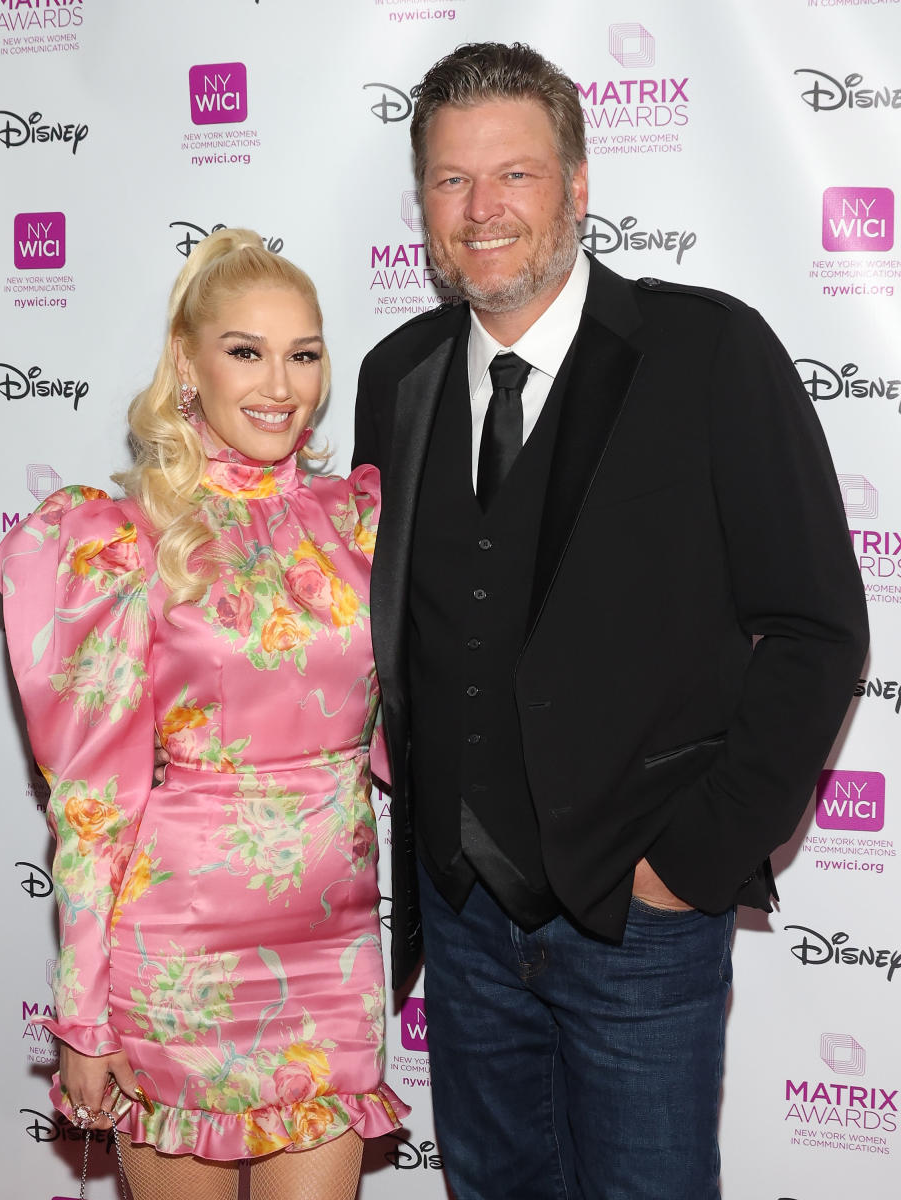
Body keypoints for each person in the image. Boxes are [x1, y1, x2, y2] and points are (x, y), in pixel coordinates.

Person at [353, 42, 868, 1200]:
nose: (482, 211)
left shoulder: (710, 351)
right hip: (464, 921)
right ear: (423, 203)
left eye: (516, 175)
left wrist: (692, 863)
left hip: (640, 926)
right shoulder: (397, 376)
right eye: (450, 181)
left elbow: (819, 625)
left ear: (578, 186)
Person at [0, 229, 407, 1200]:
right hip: (178, 963)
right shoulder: (120, 537)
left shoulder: (358, 523)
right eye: (246, 351)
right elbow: (93, 800)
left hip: (333, 955)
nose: (281, 384)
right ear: (188, 364)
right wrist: (84, 1019)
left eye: (304, 354)